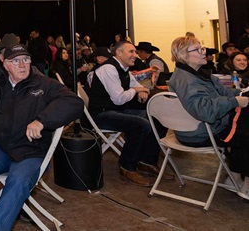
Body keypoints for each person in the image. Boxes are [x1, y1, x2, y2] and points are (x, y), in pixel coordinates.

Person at [0, 44, 83, 231]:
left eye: (26, 59)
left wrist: (42, 121)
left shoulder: (44, 84)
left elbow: (74, 102)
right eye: (15, 61)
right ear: (5, 65)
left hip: (31, 150)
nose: (22, 65)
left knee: (17, 182)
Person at [167, 36, 249, 199]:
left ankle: (235, 178)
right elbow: (205, 111)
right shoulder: (187, 80)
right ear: (184, 54)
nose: (204, 52)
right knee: (245, 131)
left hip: (201, 128)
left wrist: (243, 93)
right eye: (198, 49)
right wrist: (234, 101)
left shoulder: (200, 75)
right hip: (200, 133)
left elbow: (225, 93)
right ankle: (244, 183)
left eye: (202, 48)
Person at [88, 41, 169, 186]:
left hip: (115, 110)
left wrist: (141, 90)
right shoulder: (109, 69)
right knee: (141, 124)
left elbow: (136, 85)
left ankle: (146, 161)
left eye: (135, 52)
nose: (135, 55)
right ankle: (127, 166)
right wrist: (137, 91)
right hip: (101, 114)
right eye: (131, 52)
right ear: (119, 53)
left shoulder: (123, 68)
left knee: (159, 118)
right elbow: (119, 99)